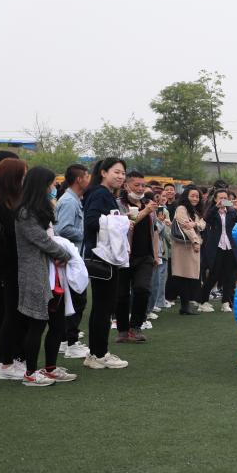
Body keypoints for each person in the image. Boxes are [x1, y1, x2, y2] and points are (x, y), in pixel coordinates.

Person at [14, 167, 75, 386]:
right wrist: (64, 255)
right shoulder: (25, 213)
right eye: (50, 183)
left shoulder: (42, 208)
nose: (53, 187)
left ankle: (50, 367)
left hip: (52, 273)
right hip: (35, 274)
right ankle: (30, 372)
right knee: (37, 324)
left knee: (57, 323)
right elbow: (42, 240)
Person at [82, 158, 130, 370]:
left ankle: (96, 352)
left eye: (123, 173)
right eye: (116, 172)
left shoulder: (103, 193)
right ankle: (99, 354)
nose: (120, 176)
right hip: (102, 256)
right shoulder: (100, 193)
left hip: (104, 255)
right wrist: (121, 222)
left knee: (102, 307)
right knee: (103, 307)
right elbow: (91, 221)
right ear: (103, 172)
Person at [0, 158, 28, 380]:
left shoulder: (11, 204)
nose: (25, 180)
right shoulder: (1, 207)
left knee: (15, 314)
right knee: (10, 314)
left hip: (15, 267)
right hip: (8, 268)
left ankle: (12, 358)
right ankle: (5, 363)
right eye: (23, 175)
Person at [52, 164, 91, 359]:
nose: (89, 180)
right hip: (70, 258)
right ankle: (70, 342)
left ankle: (65, 339)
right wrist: (88, 233)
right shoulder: (69, 201)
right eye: (87, 176)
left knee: (75, 300)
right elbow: (63, 229)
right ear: (79, 179)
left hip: (72, 257)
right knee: (77, 300)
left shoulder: (74, 199)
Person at [115, 171, 158, 343]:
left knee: (142, 289)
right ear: (126, 186)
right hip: (124, 255)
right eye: (136, 185)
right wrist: (145, 211)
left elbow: (154, 230)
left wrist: (156, 254)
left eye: (143, 185)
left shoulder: (149, 204)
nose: (140, 189)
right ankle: (122, 330)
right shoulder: (119, 204)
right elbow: (125, 225)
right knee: (122, 294)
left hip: (145, 255)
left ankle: (136, 326)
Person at [198, 188, 237, 312]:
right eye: (220, 198)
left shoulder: (231, 212)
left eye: (225, 198)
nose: (223, 200)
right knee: (214, 275)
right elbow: (206, 219)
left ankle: (226, 302)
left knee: (229, 276)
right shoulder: (212, 212)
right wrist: (216, 207)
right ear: (215, 199)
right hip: (216, 247)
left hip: (230, 247)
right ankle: (203, 301)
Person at [171, 187, 206, 315]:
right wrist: (195, 241)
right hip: (184, 246)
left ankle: (186, 306)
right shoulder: (181, 208)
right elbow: (185, 227)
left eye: (197, 196)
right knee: (183, 276)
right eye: (192, 196)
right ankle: (184, 306)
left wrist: (195, 224)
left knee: (189, 276)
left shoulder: (196, 210)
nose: (195, 199)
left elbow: (203, 224)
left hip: (191, 246)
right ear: (186, 196)